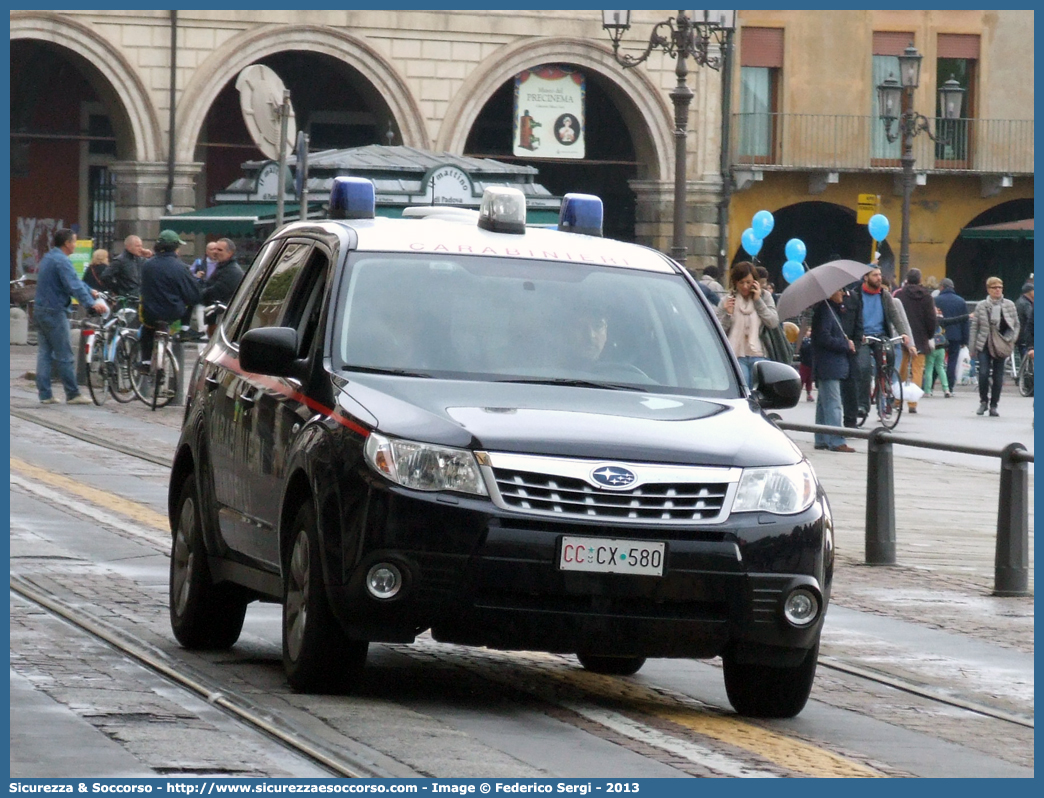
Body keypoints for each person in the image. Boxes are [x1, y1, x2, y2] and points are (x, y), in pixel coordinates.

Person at [33, 228, 108, 405]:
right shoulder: (62, 261)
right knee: (65, 354)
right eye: (74, 241)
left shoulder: (50, 257)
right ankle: (73, 393)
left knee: (44, 353)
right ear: (67, 243)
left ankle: (45, 394)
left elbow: (75, 281)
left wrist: (91, 290)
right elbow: (74, 285)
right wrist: (91, 303)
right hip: (55, 311)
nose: (75, 244)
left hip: (41, 309)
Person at [138, 230, 203, 366]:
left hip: (149, 313)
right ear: (175, 247)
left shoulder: (147, 265)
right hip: (173, 312)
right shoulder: (180, 267)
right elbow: (193, 295)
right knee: (190, 299)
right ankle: (184, 329)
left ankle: (145, 361)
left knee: (147, 329)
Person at [857, 265, 912, 419]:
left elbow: (895, 316)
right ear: (866, 277)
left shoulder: (885, 295)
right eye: (875, 275)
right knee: (864, 368)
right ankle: (863, 404)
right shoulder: (857, 295)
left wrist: (903, 333)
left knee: (888, 362)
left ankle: (885, 399)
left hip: (881, 336)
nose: (879, 278)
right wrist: (856, 334)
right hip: (864, 337)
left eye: (880, 275)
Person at [715, 261, 780, 386]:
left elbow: (773, 322)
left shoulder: (765, 297)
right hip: (735, 354)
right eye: (741, 282)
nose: (745, 286)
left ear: (755, 282)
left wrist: (758, 301)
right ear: (735, 283)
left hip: (759, 353)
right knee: (743, 387)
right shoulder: (727, 300)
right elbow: (718, 331)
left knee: (758, 392)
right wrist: (728, 314)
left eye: (748, 282)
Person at [811, 290, 856, 452]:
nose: (843, 294)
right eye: (840, 290)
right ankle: (836, 440)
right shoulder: (825, 311)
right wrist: (845, 345)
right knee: (833, 404)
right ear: (831, 293)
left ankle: (822, 438)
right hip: (828, 364)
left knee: (824, 404)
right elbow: (823, 338)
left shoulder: (831, 310)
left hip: (829, 364)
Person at [968, 276, 1019, 417]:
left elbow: (1016, 325)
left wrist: (1011, 341)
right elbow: (974, 328)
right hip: (984, 342)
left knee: (998, 376)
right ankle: (983, 400)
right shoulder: (981, 306)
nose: (997, 290)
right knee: (983, 373)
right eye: (994, 287)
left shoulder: (1009, 305)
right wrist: (972, 348)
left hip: (1002, 343)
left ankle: (994, 405)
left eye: (1000, 287)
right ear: (988, 289)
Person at [894, 268, 937, 414]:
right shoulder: (927, 296)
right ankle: (913, 403)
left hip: (902, 336)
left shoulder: (899, 294)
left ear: (906, 279)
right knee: (918, 370)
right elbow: (931, 318)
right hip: (920, 336)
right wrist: (929, 334)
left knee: (902, 368)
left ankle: (897, 399)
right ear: (920, 280)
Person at [199, 238, 245, 334]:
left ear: (230, 253)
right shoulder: (223, 267)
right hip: (215, 318)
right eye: (215, 249)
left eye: (220, 250)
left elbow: (216, 292)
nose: (215, 252)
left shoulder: (232, 271)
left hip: (222, 319)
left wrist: (199, 294)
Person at [934, 277, 969, 392]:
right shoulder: (960, 301)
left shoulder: (936, 300)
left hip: (939, 336)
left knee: (937, 361)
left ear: (942, 287)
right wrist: (965, 340)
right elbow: (965, 322)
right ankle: (950, 386)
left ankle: (929, 385)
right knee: (952, 361)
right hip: (956, 335)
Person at [837, 284, 863, 426]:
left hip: (851, 348)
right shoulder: (828, 300)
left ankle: (851, 421)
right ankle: (831, 425)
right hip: (835, 347)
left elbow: (859, 321)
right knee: (835, 389)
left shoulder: (853, 297)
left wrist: (856, 343)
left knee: (851, 385)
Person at [102, 234, 152, 299]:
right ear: (128, 246)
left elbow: (153, 269)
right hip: (127, 298)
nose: (141, 248)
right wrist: (118, 290)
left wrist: (150, 256)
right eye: (137, 246)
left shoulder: (140, 259)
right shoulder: (119, 260)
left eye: (141, 246)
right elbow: (105, 276)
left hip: (140, 297)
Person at [922, 308, 950, 398]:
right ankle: (946, 389)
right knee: (940, 368)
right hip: (941, 348)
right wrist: (967, 316)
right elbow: (956, 320)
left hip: (931, 348)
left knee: (929, 369)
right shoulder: (941, 321)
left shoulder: (926, 321)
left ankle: (927, 390)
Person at [1015, 281, 1034, 361]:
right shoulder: (1025, 304)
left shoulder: (1019, 301)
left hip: (1020, 337)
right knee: (1027, 361)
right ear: (1030, 292)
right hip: (1025, 338)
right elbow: (1032, 319)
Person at [798, 334, 814, 402]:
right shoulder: (806, 341)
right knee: (801, 380)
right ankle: (797, 394)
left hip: (811, 364)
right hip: (805, 364)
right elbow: (802, 349)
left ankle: (809, 394)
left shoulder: (816, 341)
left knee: (809, 381)